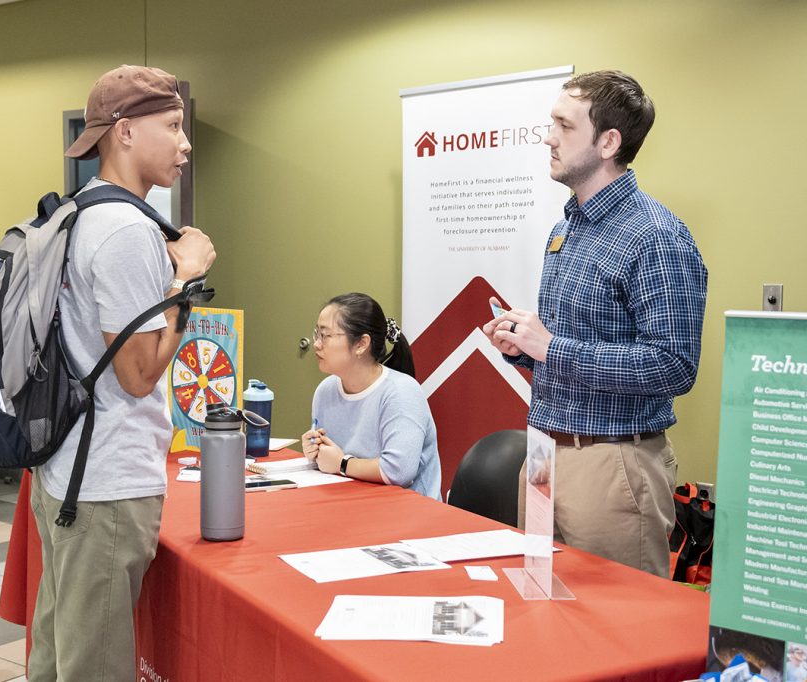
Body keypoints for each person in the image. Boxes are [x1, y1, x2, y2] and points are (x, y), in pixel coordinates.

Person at [28, 65, 215, 681]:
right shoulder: (128, 230)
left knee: (60, 648)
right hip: (106, 479)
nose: (185, 143)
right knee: (97, 665)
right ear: (126, 132)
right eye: (172, 126)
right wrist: (184, 281)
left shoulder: (78, 212)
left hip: (65, 468)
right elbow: (136, 376)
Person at [482, 70, 707, 578]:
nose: (548, 136)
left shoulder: (655, 236)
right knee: (540, 612)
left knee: (619, 630)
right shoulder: (566, 230)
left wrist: (552, 348)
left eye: (564, 125)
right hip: (543, 453)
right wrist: (524, 347)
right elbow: (567, 350)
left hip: (610, 467)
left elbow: (674, 366)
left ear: (609, 142)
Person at [301, 293, 441, 500]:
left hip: (408, 512)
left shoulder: (401, 392)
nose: (317, 344)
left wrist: (342, 463)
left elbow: (398, 472)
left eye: (326, 336)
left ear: (361, 344)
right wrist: (314, 450)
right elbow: (326, 461)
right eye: (317, 334)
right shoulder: (325, 390)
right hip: (350, 503)